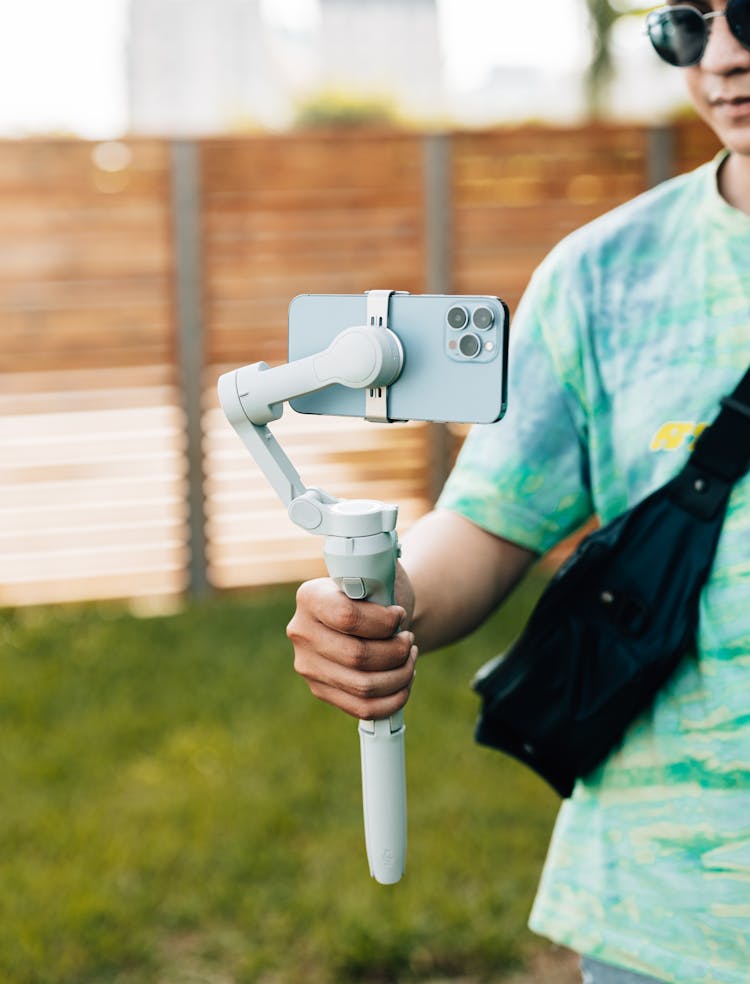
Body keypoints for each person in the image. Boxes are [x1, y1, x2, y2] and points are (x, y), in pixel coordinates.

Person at [286, 2, 750, 981]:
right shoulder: (604, 275)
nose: (723, 56)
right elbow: (487, 524)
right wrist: (381, 600)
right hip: (664, 910)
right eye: (686, 26)